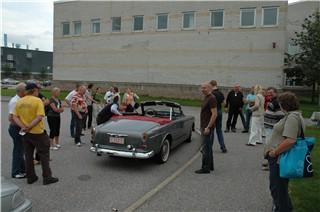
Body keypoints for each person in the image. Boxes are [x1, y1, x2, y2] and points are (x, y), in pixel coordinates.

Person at [263, 92, 303, 212]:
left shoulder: (292, 117)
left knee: (277, 188)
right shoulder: (293, 116)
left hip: (279, 158)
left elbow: (290, 140)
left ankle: (282, 209)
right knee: (281, 188)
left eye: (280, 103)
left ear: (284, 104)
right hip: (280, 157)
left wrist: (274, 152)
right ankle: (287, 208)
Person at [12, 83, 59, 185]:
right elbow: (39, 117)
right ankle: (47, 177)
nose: (39, 92)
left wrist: (23, 126)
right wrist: (29, 126)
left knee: (28, 155)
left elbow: (14, 117)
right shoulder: (37, 100)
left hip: (25, 134)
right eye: (38, 91)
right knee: (44, 155)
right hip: (37, 132)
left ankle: (31, 177)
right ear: (34, 91)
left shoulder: (20, 101)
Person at [195, 82, 217, 174]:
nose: (202, 89)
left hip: (206, 127)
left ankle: (205, 167)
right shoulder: (206, 97)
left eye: (204, 88)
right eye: (201, 88)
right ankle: (210, 165)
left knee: (204, 148)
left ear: (209, 88)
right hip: (204, 125)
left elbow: (214, 114)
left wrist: (208, 127)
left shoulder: (211, 98)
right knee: (208, 147)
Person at [262, 87, 285, 171]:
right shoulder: (272, 100)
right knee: (269, 145)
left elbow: (281, 116)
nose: (269, 94)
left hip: (272, 128)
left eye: (271, 92)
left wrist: (277, 126)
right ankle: (269, 162)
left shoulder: (276, 102)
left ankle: (271, 164)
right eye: (268, 92)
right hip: (269, 127)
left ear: (276, 93)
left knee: (271, 146)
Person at [8, 83, 26, 179]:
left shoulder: (20, 100)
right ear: (22, 92)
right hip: (16, 129)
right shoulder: (15, 101)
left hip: (19, 128)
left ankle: (22, 170)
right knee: (18, 150)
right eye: (26, 91)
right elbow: (11, 118)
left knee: (21, 149)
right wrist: (21, 126)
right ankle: (16, 172)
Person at [210, 80, 227, 153]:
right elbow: (224, 102)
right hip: (220, 111)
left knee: (211, 130)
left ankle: (209, 147)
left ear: (212, 85)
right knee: (219, 130)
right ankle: (223, 147)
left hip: (214, 112)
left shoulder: (212, 94)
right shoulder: (220, 93)